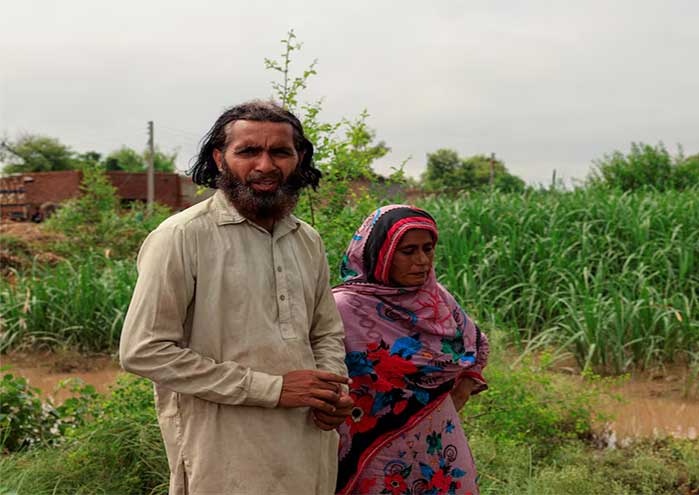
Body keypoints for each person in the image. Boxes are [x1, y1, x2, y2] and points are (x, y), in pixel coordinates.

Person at [119, 100, 353, 494]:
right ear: (220, 159)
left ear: (298, 159)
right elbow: (143, 350)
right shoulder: (182, 237)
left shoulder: (306, 239)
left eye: (280, 151)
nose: (265, 165)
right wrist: (272, 390)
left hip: (306, 442)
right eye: (248, 151)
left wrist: (330, 391)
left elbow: (326, 333)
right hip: (223, 452)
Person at [332, 205, 489, 495]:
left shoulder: (437, 299)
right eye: (408, 251)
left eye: (428, 249)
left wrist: (450, 399)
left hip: (439, 440)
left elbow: (474, 345)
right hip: (376, 448)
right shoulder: (344, 308)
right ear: (380, 254)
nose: (422, 261)